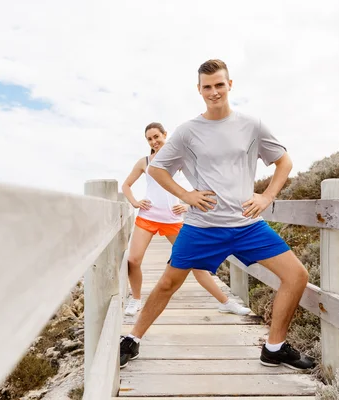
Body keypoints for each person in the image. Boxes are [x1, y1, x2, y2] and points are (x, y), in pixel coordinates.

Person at [119, 59, 315, 371]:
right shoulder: (187, 132)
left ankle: (274, 347)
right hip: (203, 226)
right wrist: (185, 195)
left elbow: (284, 162)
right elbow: (156, 169)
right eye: (207, 87)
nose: (214, 92)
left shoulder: (252, 126)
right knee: (168, 283)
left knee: (297, 276)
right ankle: (132, 340)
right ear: (199, 90)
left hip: (247, 225)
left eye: (219, 85)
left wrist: (267, 196)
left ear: (230, 85)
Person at [121, 122, 250, 322]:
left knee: (197, 264)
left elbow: (203, 184)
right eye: (150, 139)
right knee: (133, 260)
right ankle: (136, 300)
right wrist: (135, 202)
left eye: (157, 136)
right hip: (147, 217)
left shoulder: (179, 159)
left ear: (165, 134)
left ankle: (226, 303)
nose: (154, 141)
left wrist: (188, 205)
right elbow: (126, 185)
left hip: (173, 219)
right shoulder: (144, 161)